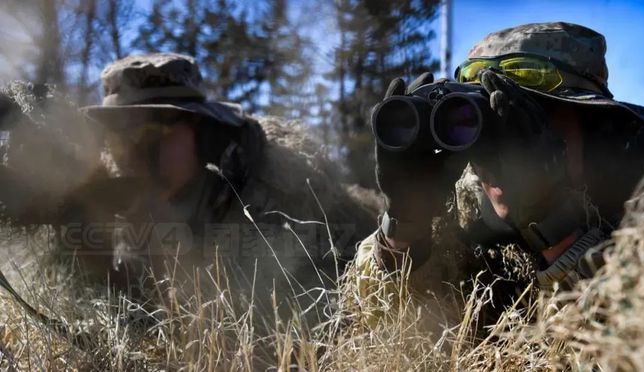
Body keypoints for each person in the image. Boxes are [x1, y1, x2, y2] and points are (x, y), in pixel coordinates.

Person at [0, 53, 377, 309]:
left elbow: (359, 281)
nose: (134, 151)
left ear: (200, 131)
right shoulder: (105, 200)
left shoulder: (273, 195)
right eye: (119, 133)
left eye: (155, 133)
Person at [349, 22, 644, 325]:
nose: (501, 156)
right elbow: (372, 326)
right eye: (489, 129)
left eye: (527, 127)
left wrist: (556, 231)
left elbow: (627, 344)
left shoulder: (638, 201)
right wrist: (405, 228)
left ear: (593, 126)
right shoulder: (465, 207)